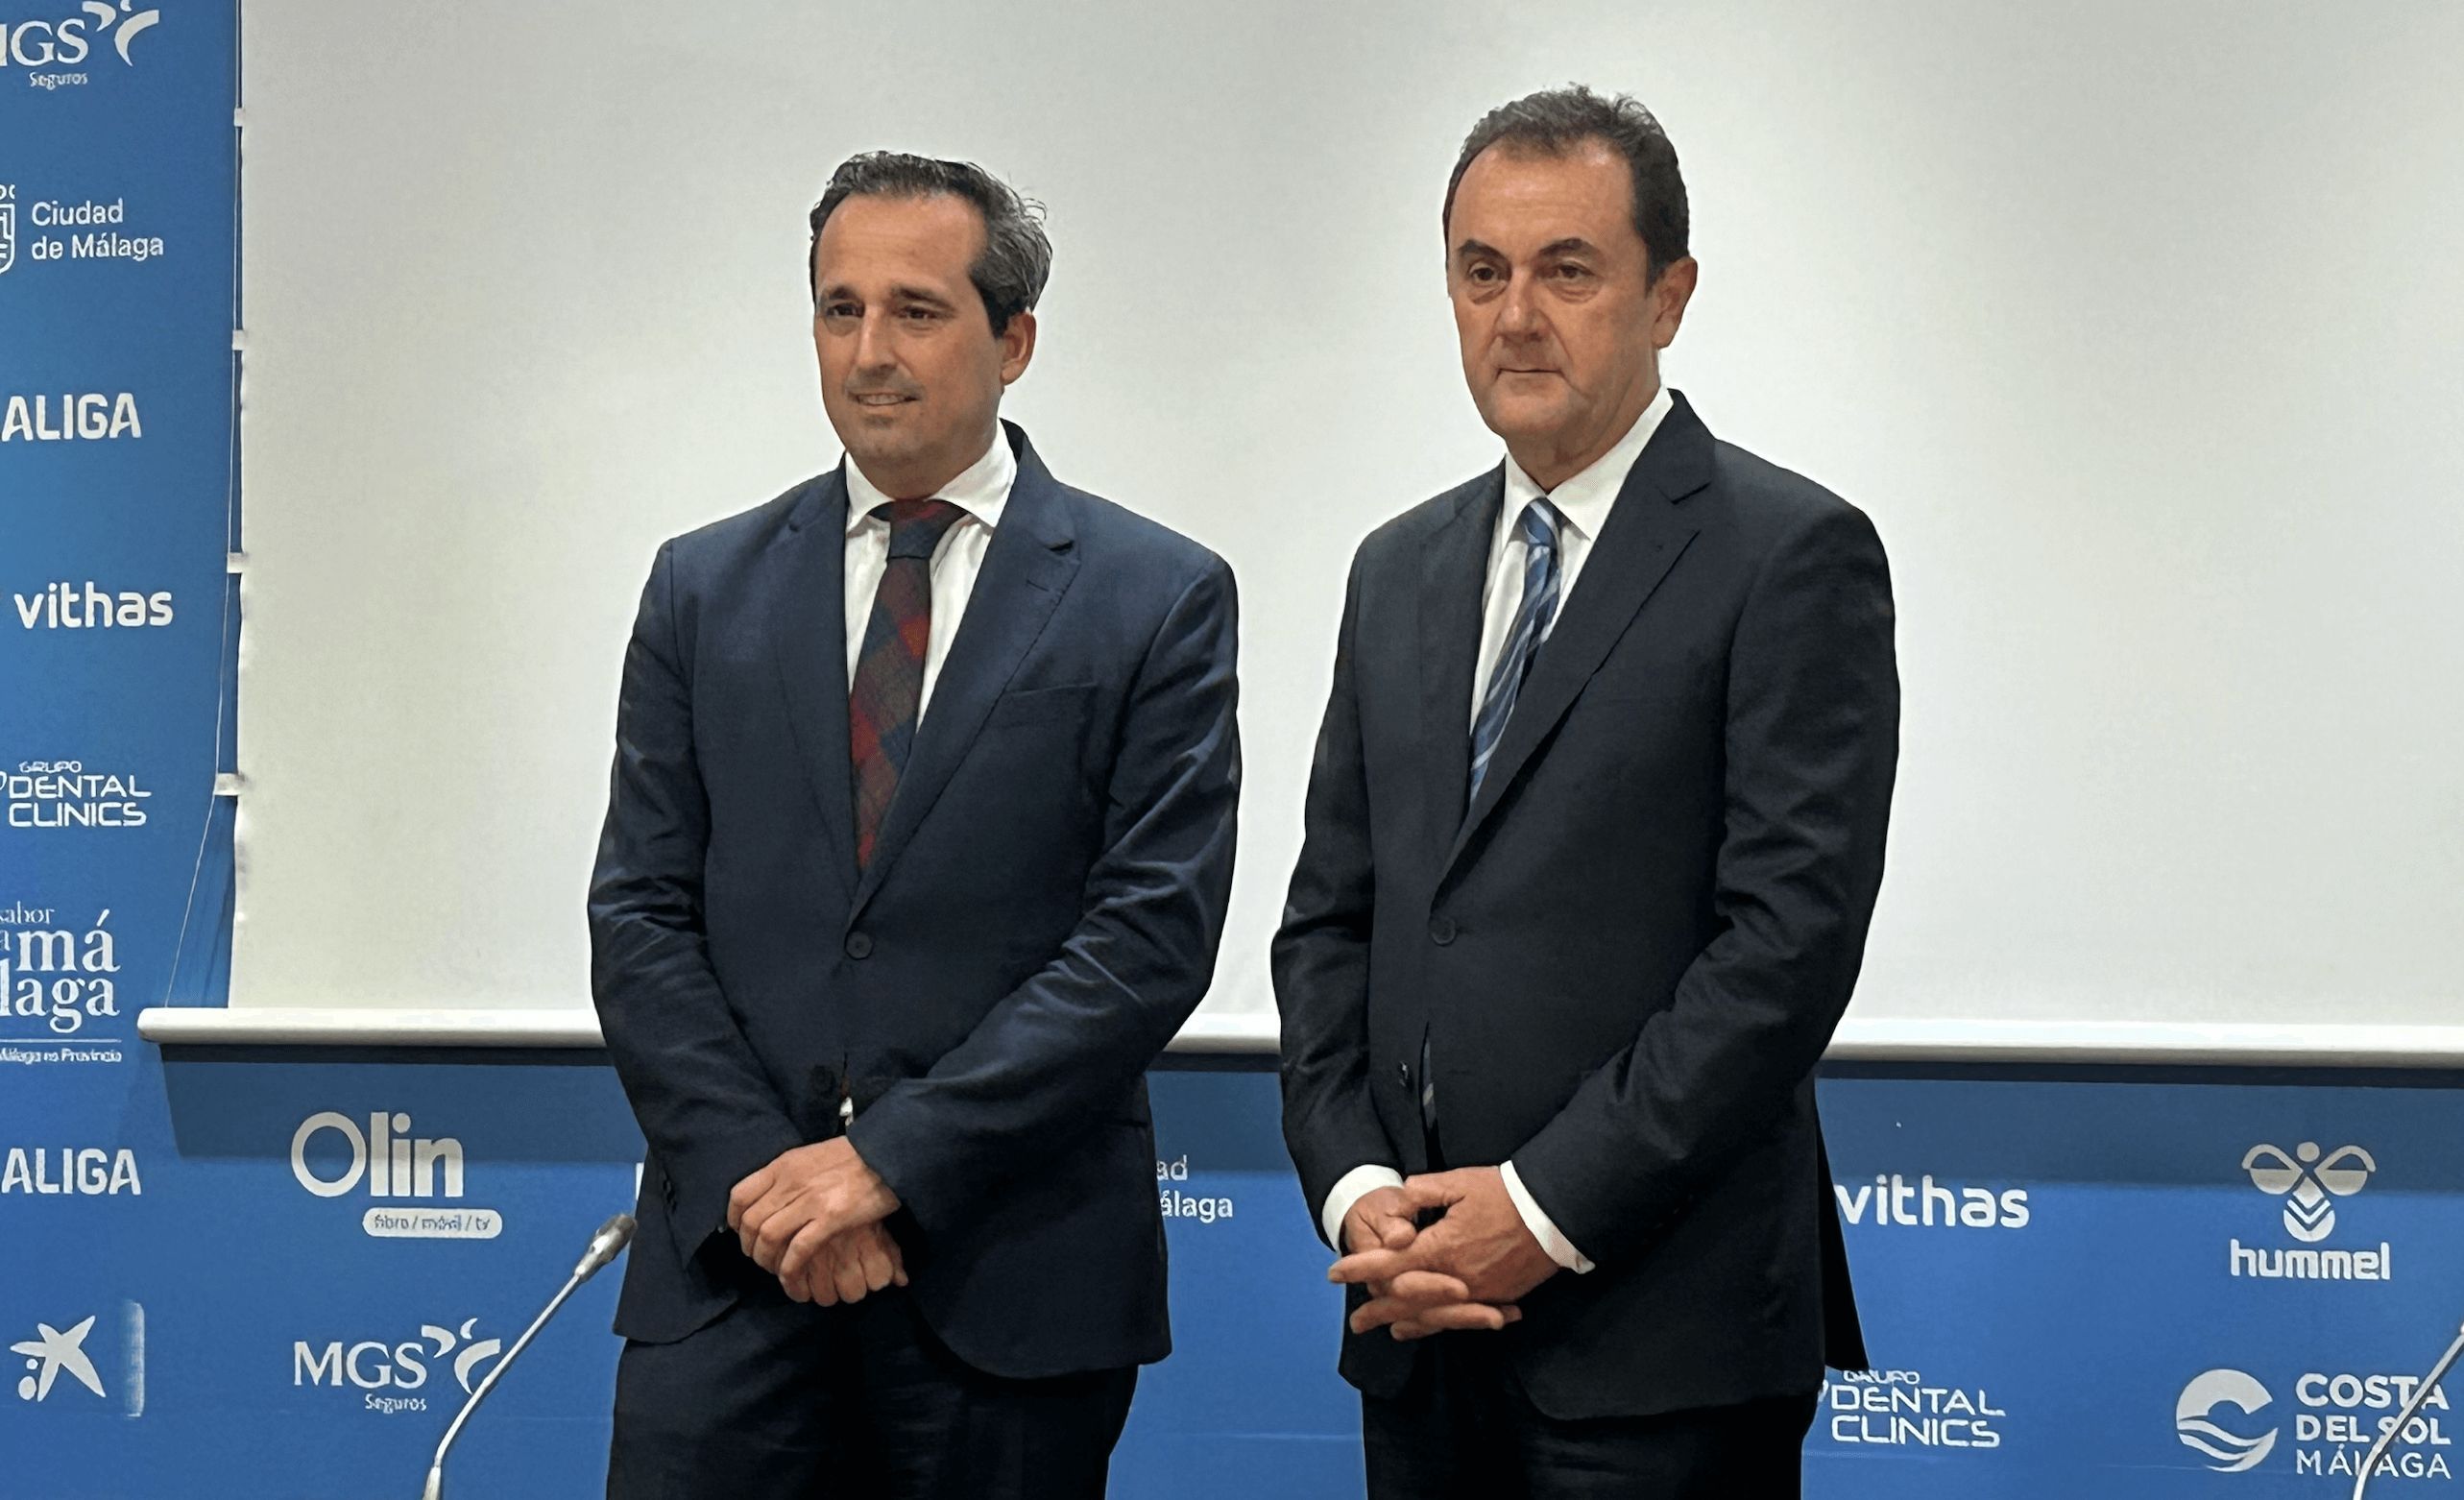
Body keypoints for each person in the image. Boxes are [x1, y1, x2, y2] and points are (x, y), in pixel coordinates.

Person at [1274, 85, 1898, 1496]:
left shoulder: (1789, 553)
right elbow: (1331, 926)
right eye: (1479, 272)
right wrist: (1364, 1194)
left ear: (1666, 295)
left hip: (1657, 1341)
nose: (1513, 315)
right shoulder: (1397, 568)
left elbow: (1782, 950)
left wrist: (1540, 1210)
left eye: (1566, 270)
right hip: (1414, 1319)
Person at [589, 151, 1240, 1500]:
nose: (869, 352)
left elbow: (1145, 941)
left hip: (1005, 1283)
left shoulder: (1153, 595)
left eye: (916, 310)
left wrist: (885, 1164)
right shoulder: (698, 587)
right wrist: (773, 1182)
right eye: (839, 310)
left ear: (1014, 340)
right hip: (735, 1268)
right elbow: (639, 913)